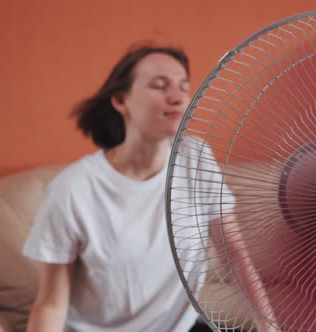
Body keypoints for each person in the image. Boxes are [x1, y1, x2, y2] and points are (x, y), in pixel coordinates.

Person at [23, 43, 277, 332]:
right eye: (159, 86)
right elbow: (51, 303)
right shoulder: (74, 189)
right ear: (120, 101)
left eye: (183, 86)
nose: (177, 97)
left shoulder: (195, 158)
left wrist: (268, 327)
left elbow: (234, 255)